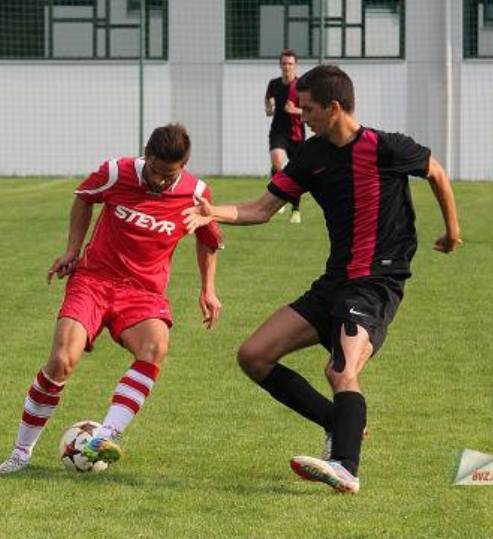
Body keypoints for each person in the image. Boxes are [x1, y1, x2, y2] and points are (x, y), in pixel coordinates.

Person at [183, 65, 462, 494]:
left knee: (341, 369)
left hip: (376, 281)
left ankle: (346, 467)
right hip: (335, 281)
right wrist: (210, 213)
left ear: (334, 108)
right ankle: (337, 421)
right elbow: (262, 209)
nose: (301, 115)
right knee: (254, 355)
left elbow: (436, 172)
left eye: (308, 108)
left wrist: (452, 231)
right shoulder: (311, 156)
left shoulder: (385, 147)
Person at [0, 123, 223, 474]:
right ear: (146, 155)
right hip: (93, 281)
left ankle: (102, 437)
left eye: (169, 175)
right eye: (155, 171)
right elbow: (83, 199)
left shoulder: (196, 193)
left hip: (143, 292)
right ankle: (20, 454)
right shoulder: (116, 172)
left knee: (155, 346)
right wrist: (72, 250)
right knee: (61, 360)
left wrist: (208, 289)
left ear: (184, 166)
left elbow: (208, 239)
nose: (160, 181)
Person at [265, 48, 305, 224]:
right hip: (278, 131)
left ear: (295, 65)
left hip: (296, 134)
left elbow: (309, 110)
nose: (287, 67)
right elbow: (268, 104)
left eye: (290, 64)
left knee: (297, 172)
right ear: (280, 65)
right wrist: (269, 108)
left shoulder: (302, 86)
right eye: (284, 63)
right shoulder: (273, 84)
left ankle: (295, 209)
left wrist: (295, 110)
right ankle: (278, 197)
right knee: (277, 162)